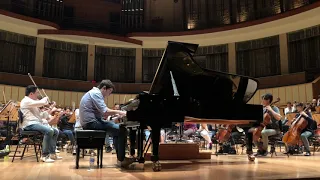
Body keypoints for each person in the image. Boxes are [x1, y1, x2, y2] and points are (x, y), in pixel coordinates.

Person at [79, 80, 130, 167]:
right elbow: (105, 111)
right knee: (122, 130)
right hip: (91, 123)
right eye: (109, 92)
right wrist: (121, 112)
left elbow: (103, 113)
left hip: (92, 121)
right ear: (104, 88)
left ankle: (120, 158)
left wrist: (116, 114)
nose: (109, 95)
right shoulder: (96, 93)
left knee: (118, 129)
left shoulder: (94, 93)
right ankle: (122, 159)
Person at [20, 85, 62, 163]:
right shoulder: (25, 101)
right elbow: (41, 103)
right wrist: (45, 99)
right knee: (49, 131)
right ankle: (44, 155)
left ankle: (52, 153)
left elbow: (41, 116)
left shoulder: (33, 103)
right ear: (31, 94)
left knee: (55, 131)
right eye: (37, 93)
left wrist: (49, 109)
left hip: (35, 123)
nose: (38, 94)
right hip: (29, 124)